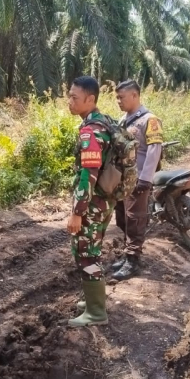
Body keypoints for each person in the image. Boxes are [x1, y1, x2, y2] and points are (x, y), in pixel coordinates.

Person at [66, 75, 117, 327]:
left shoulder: (91, 131)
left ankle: (96, 313)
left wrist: (77, 212)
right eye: (69, 95)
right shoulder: (104, 122)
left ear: (90, 99)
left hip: (92, 204)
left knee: (87, 253)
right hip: (105, 200)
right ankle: (91, 302)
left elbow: (89, 174)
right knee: (90, 249)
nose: (70, 101)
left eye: (74, 97)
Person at [111, 79, 163, 280]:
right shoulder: (123, 119)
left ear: (134, 95)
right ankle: (127, 256)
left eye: (121, 97)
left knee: (135, 219)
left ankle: (133, 261)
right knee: (123, 219)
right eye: (116, 97)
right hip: (122, 181)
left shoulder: (149, 120)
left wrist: (146, 179)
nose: (118, 101)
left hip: (138, 180)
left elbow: (154, 149)